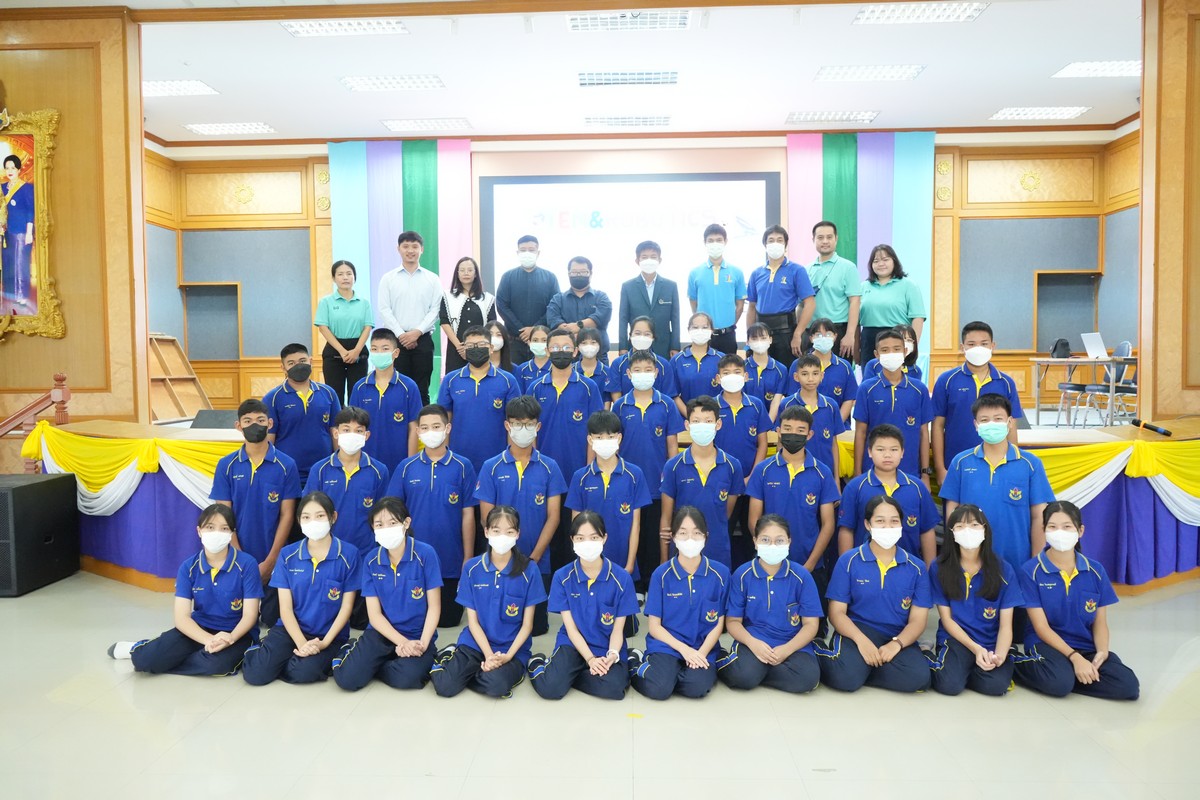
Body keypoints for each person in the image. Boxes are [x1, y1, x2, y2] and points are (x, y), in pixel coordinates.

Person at [107, 504, 262, 676]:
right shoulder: (188, 567)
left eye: (224, 528)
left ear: (232, 533)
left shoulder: (247, 564)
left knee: (214, 666)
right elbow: (182, 618)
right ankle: (141, 648)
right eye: (210, 527)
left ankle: (167, 656)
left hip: (236, 633)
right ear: (199, 531)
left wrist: (230, 638)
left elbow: (250, 615)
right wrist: (209, 640)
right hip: (199, 628)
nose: (216, 533)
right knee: (144, 661)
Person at [1014, 501, 1139, 700]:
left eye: (1067, 527)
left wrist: (1102, 652)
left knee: (1128, 686)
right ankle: (1015, 662)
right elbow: (1041, 627)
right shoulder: (1031, 571)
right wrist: (1074, 658)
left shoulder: (1096, 571)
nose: (1059, 532)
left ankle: (1067, 675)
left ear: (1080, 531)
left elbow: (1100, 622)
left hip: (1084, 643)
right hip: (1045, 642)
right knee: (1059, 684)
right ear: (1044, 530)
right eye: (1052, 527)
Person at [816, 495, 932, 693]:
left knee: (919, 678)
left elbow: (918, 620)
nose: (888, 527)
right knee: (845, 680)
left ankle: (861, 669)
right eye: (880, 521)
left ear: (902, 524)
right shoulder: (849, 561)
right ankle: (821, 651)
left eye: (894, 521)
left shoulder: (917, 567)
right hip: (858, 629)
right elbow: (836, 613)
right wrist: (862, 641)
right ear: (867, 525)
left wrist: (897, 644)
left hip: (896, 633)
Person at [429, 506, 547, 699]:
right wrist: (488, 655)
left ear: (518, 534)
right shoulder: (472, 568)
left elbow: (527, 625)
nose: (502, 537)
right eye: (496, 531)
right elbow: (473, 622)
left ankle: (469, 674)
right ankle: (451, 658)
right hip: (476, 643)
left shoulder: (530, 570)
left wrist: (507, 656)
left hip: (511, 649)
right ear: (486, 532)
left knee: (497, 686)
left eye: (509, 532)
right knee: (445, 687)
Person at [242, 491, 359, 686]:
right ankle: (271, 652)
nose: (313, 522)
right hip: (290, 630)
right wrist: (301, 644)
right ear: (299, 521)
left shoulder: (349, 554)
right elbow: (285, 608)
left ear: (333, 517)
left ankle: (332, 652)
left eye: (320, 516)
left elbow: (346, 607)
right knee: (256, 675)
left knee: (303, 673)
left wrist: (324, 643)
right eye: (306, 517)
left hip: (328, 635)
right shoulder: (287, 554)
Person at [475, 395, 567, 637]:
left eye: (529, 424)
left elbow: (554, 517)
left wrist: (534, 557)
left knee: (536, 629)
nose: (523, 429)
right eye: (517, 423)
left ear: (538, 426)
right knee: (498, 628)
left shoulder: (550, 467)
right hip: (499, 560)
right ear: (507, 425)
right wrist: (506, 554)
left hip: (537, 563)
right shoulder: (491, 467)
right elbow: (486, 518)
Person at [333, 497, 444, 692]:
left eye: (392, 523)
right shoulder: (371, 561)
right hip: (382, 633)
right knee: (347, 680)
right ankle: (356, 653)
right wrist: (402, 643)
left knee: (408, 679)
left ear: (406, 523)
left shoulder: (426, 554)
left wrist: (421, 644)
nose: (386, 528)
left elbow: (434, 607)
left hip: (417, 634)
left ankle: (374, 667)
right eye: (379, 525)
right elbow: (374, 615)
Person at [528, 513, 640, 700]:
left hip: (606, 645)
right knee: (551, 689)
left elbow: (618, 630)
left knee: (614, 689)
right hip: (573, 643)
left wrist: (612, 654)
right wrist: (590, 659)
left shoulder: (621, 578)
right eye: (580, 538)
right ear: (572, 540)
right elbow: (571, 629)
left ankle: (569, 675)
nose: (587, 543)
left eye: (594, 537)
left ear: (604, 538)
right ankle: (538, 663)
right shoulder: (562, 577)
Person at [210, 399, 301, 627]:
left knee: (271, 620)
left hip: (273, 558)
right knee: (231, 620)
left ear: (270, 423)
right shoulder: (226, 465)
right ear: (238, 426)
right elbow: (223, 516)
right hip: (236, 556)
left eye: (260, 420)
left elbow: (287, 516)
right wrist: (240, 558)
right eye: (248, 421)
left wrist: (271, 561)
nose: (255, 425)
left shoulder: (287, 465)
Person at [386, 404, 477, 628]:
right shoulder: (406, 467)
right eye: (425, 427)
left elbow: (468, 515)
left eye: (436, 426)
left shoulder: (463, 466)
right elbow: (393, 513)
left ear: (448, 428)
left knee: (447, 622)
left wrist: (467, 558)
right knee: (412, 622)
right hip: (411, 561)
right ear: (417, 431)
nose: (430, 432)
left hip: (450, 561)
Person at [941, 394, 1055, 570]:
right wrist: (955, 552)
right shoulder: (961, 462)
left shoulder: (1031, 464)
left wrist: (1035, 562)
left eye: (998, 419)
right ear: (976, 425)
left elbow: (1039, 516)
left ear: (1010, 422)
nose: (991, 424)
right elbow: (951, 511)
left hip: (1018, 560)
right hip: (971, 561)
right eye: (984, 420)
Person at [629, 506, 729, 700]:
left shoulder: (721, 573)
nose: (690, 539)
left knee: (696, 688)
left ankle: (673, 674)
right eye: (683, 533)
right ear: (673, 537)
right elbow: (655, 627)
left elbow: (719, 623)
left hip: (702, 646)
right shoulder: (661, 575)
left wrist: (700, 653)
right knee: (659, 689)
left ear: (706, 536)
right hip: (667, 645)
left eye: (696, 533)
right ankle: (635, 661)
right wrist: (684, 651)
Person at [717, 515, 822, 693]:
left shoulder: (802, 576)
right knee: (743, 677)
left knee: (808, 680)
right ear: (755, 542)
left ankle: (758, 673)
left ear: (789, 542)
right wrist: (753, 644)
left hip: (792, 642)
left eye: (779, 540)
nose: (772, 546)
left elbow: (811, 624)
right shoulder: (742, 575)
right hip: (753, 641)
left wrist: (786, 650)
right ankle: (747, 670)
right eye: (765, 540)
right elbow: (733, 622)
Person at [926, 504, 1023, 697]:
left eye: (974, 525)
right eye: (960, 526)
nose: (967, 530)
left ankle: (968, 669)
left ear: (985, 530)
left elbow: (1006, 625)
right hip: (956, 639)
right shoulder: (940, 567)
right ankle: (926, 653)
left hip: (990, 641)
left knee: (996, 686)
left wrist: (999, 655)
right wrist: (976, 649)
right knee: (949, 685)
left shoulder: (1004, 570)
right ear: (952, 532)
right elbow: (947, 620)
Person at [611, 349, 687, 592]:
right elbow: (614, 445)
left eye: (647, 370)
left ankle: (650, 584)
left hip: (656, 483)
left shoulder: (666, 404)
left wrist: (671, 478)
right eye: (637, 370)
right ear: (628, 374)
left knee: (654, 536)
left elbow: (672, 445)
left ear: (655, 373)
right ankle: (633, 586)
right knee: (630, 532)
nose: (642, 374)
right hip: (627, 484)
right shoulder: (620, 405)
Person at [745, 407, 839, 589]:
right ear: (778, 431)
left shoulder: (822, 472)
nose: (793, 434)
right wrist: (768, 553)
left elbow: (828, 524)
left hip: (810, 565)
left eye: (800, 430)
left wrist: (810, 564)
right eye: (787, 429)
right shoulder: (762, 470)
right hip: (768, 563)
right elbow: (753, 520)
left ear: (810, 435)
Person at [659, 396, 746, 569]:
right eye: (696, 421)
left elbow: (726, 513)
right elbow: (666, 519)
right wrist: (664, 561)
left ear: (718, 424)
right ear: (687, 425)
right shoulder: (673, 466)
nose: (702, 426)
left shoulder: (732, 465)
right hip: (682, 550)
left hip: (718, 550)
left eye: (708, 421)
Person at [932, 321, 1024, 484]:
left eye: (984, 344)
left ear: (993, 346)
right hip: (955, 464)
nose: (978, 349)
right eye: (971, 344)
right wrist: (940, 469)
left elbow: (1012, 426)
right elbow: (937, 426)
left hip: (997, 465)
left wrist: (1013, 464)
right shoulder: (946, 380)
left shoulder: (1006, 383)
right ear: (963, 347)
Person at [564, 411, 652, 579]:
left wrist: (630, 564)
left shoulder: (634, 475)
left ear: (619, 438)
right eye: (599, 437)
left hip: (623, 565)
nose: (605, 442)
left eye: (610, 437)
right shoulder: (580, 477)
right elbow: (576, 526)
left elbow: (636, 525)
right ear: (590, 440)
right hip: (589, 564)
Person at [838, 424, 938, 564]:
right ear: (869, 451)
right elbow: (846, 530)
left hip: (908, 568)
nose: (887, 455)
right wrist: (847, 567)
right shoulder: (855, 487)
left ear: (902, 452)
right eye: (880, 449)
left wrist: (929, 570)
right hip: (865, 569)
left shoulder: (917, 487)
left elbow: (927, 531)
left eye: (894, 449)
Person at [303, 407, 390, 554]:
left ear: (366, 435)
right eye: (346, 429)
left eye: (358, 430)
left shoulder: (379, 471)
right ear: (335, 433)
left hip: (365, 552)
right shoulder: (319, 470)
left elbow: (383, 513)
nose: (352, 435)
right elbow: (309, 511)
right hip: (327, 551)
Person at [436, 325, 522, 475]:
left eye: (481, 344)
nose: (476, 349)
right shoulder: (451, 380)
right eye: (470, 346)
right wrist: (443, 456)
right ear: (464, 349)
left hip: (497, 459)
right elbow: (444, 421)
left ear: (491, 348)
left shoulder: (508, 380)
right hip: (458, 459)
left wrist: (512, 457)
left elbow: (515, 422)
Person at [852, 329, 932, 483]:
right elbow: (860, 432)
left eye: (896, 349)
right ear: (876, 355)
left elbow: (923, 433)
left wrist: (925, 474)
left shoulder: (919, 389)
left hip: (910, 473)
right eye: (885, 350)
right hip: (872, 473)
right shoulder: (866, 389)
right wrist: (858, 473)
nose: (891, 354)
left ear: (905, 352)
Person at [527, 327, 605, 484]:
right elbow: (529, 430)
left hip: (579, 469)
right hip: (543, 470)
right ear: (547, 351)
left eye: (566, 347)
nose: (561, 351)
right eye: (555, 348)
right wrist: (534, 466)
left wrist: (589, 469)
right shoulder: (535, 388)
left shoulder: (589, 387)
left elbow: (596, 431)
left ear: (575, 351)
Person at [713, 353, 770, 564]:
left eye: (737, 372)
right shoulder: (712, 407)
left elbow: (762, 443)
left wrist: (753, 475)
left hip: (750, 481)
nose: (732, 376)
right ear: (718, 378)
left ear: (746, 376)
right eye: (726, 373)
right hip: (721, 482)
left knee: (751, 532)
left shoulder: (756, 405)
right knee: (723, 530)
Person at [375, 231, 442, 405]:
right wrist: (401, 335)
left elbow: (436, 310)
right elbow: (384, 309)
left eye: (414, 246)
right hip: (396, 341)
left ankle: (422, 421)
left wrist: (417, 332)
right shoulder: (388, 279)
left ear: (422, 249)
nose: (410, 250)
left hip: (423, 340)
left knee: (422, 389)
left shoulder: (432, 279)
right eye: (405, 246)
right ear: (398, 249)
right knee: (396, 387)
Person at [264, 342, 341, 485]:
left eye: (302, 361)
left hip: (324, 472)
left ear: (311, 361)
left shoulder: (328, 393)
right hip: (287, 473)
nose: (298, 366)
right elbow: (269, 439)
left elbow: (336, 432)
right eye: (291, 363)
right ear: (283, 368)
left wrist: (339, 464)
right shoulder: (272, 398)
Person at [348, 328, 421, 470]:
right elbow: (353, 426)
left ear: (396, 353)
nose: (379, 353)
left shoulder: (409, 386)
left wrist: (410, 464)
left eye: (385, 349)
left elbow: (414, 428)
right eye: (374, 349)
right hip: (365, 463)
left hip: (399, 463)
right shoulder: (360, 387)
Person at [746, 225, 815, 363]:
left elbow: (810, 303)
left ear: (785, 245)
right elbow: (752, 307)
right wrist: (750, 337)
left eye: (779, 240)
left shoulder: (797, 270)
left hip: (786, 333)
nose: (775, 243)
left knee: (786, 371)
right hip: (761, 334)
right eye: (771, 240)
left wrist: (798, 334)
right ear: (765, 245)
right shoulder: (756, 273)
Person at [857, 244, 926, 369]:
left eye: (885, 259)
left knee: (899, 376)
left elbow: (918, 318)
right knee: (871, 376)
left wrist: (912, 345)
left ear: (894, 261)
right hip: (869, 340)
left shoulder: (909, 285)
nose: (881, 264)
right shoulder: (863, 287)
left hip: (898, 337)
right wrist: (856, 348)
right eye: (876, 261)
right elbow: (855, 321)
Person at [495, 234, 561, 364]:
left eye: (531, 250)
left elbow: (554, 307)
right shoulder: (507, 277)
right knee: (514, 373)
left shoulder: (550, 277)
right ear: (517, 252)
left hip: (542, 343)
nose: (527, 253)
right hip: (514, 341)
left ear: (538, 253)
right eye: (523, 250)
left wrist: (534, 329)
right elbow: (502, 305)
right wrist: (521, 330)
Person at [314, 259, 372, 405]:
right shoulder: (326, 302)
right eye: (340, 274)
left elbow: (367, 327)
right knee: (334, 396)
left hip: (358, 351)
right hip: (334, 351)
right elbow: (323, 327)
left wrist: (356, 351)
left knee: (357, 395)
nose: (345, 277)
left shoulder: (364, 303)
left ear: (354, 277)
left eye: (349, 274)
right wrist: (342, 351)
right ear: (334, 278)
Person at [777, 354, 845, 475]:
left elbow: (833, 444)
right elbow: (781, 441)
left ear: (822, 376)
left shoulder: (831, 406)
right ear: (796, 377)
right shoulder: (786, 404)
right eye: (805, 374)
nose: (810, 379)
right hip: (794, 472)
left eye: (815, 373)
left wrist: (836, 479)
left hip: (825, 472)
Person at [687, 223, 746, 354]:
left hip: (728, 336)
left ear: (725, 242)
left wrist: (728, 325)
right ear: (705, 242)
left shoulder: (736, 272)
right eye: (711, 240)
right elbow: (693, 303)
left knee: (728, 366)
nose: (715, 244)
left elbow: (740, 306)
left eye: (719, 240)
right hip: (704, 336)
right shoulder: (695, 273)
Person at [807, 221, 860, 361]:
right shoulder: (807, 269)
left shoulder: (848, 267)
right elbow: (802, 305)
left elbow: (855, 302)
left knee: (839, 371)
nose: (825, 241)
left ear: (836, 239)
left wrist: (850, 335)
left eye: (829, 237)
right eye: (820, 237)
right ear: (813, 240)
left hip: (838, 330)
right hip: (813, 332)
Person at [618, 240, 681, 360]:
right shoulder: (628, 286)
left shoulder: (671, 286)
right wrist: (622, 346)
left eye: (653, 257)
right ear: (637, 261)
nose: (649, 260)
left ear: (659, 260)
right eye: (644, 257)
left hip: (663, 346)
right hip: (636, 345)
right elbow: (623, 319)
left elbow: (675, 319)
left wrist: (675, 346)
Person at [788, 318, 857, 422]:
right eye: (818, 335)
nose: (824, 338)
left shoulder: (845, 367)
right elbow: (792, 398)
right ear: (811, 338)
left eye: (828, 334)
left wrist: (836, 424)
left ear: (835, 336)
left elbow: (849, 399)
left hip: (838, 424)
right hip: (803, 423)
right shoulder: (798, 364)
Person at [547, 256, 612, 362]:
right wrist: (571, 334)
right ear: (568, 274)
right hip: (566, 357)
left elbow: (601, 317)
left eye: (583, 272)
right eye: (574, 272)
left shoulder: (601, 297)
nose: (578, 275)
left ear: (590, 273)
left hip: (598, 356)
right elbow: (553, 319)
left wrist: (578, 326)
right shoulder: (558, 299)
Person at [439, 256, 496, 374]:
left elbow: (491, 324)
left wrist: (478, 346)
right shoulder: (447, 296)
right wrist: (460, 347)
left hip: (480, 349)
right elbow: (444, 322)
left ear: (475, 274)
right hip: (456, 349)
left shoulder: (487, 299)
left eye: (470, 270)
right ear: (457, 274)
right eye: (462, 270)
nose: (466, 273)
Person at [606, 316, 679, 401]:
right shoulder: (618, 364)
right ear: (630, 336)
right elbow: (616, 395)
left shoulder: (664, 365)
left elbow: (668, 396)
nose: (642, 337)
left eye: (647, 334)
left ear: (653, 337)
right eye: (637, 333)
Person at [672, 312, 724, 414]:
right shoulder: (677, 360)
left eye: (705, 327)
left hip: (716, 417)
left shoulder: (721, 358)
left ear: (712, 330)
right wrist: (691, 416)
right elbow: (674, 394)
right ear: (688, 330)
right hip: (686, 417)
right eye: (695, 327)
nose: (700, 331)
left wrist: (712, 417)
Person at [1, 154, 35, 309]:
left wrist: (29, 232)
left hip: (22, 232)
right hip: (6, 232)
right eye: (7, 168)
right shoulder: (2, 188)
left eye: (13, 168)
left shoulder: (26, 188)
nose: (10, 171)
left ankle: (21, 294)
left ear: (19, 170)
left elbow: (30, 211)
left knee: (20, 263)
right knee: (8, 263)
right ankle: (10, 293)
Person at [743, 322, 789, 410]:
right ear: (747, 342)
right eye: (754, 339)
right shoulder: (741, 368)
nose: (759, 342)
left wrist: (768, 419)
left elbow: (776, 402)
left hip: (771, 416)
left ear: (770, 340)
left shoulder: (781, 370)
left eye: (763, 338)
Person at [514, 324, 552, 393]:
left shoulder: (556, 367)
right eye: (535, 340)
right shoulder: (522, 369)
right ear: (529, 343)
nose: (539, 343)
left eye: (544, 340)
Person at [573, 328, 610, 393]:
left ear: (599, 346)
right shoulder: (571, 370)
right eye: (584, 343)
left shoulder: (608, 372)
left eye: (593, 342)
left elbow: (609, 398)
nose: (589, 346)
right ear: (578, 347)